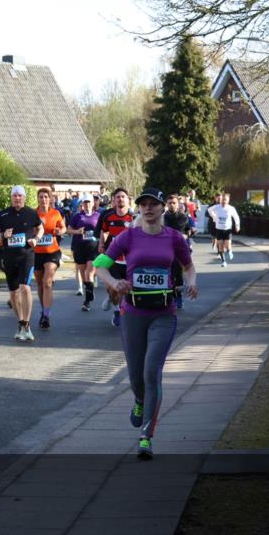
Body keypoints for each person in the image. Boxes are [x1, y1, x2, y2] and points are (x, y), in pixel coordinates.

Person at [94, 188, 198, 459]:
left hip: (164, 314)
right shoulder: (128, 236)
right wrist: (114, 282)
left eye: (154, 204)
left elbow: (188, 266)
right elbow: (100, 265)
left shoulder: (174, 238)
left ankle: (146, 435)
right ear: (138, 208)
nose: (148, 208)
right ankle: (139, 400)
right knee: (136, 377)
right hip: (133, 314)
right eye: (144, 204)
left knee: (152, 372)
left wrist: (192, 282)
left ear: (163, 208)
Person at [0, 185, 44, 341]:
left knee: (25, 287)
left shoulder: (31, 213)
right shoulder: (3, 214)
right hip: (9, 257)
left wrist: (36, 239)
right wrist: (3, 234)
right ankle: (20, 323)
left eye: (19, 195)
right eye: (14, 195)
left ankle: (27, 323)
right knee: (14, 292)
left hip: (26, 255)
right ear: (11, 197)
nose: (17, 198)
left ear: (24, 197)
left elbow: (40, 229)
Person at [95, 188, 134, 326]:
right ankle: (116, 308)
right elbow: (104, 231)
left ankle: (125, 310)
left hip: (130, 259)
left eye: (123, 196)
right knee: (114, 288)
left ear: (128, 199)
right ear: (113, 200)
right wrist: (101, 244)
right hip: (113, 258)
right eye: (117, 197)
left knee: (128, 288)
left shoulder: (134, 217)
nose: (120, 199)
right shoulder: (108, 216)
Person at [32, 188, 66, 330]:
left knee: (47, 282)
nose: (43, 199)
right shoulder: (33, 214)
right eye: (41, 197)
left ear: (50, 199)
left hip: (52, 251)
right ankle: (43, 310)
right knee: (40, 284)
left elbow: (64, 228)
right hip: (37, 253)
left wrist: (60, 231)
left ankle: (46, 315)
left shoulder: (56, 213)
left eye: (46, 197)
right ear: (38, 199)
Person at [68, 195, 100, 312]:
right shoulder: (77, 216)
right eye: (85, 202)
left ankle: (87, 300)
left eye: (89, 202)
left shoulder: (98, 216)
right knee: (83, 274)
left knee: (90, 272)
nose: (87, 204)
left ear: (93, 203)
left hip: (93, 248)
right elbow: (69, 229)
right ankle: (89, 291)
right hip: (79, 247)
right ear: (82, 204)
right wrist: (77, 231)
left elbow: (103, 230)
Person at [163, 197, 196, 309]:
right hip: (166, 249)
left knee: (178, 273)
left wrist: (186, 235)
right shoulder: (162, 218)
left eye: (174, 203)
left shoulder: (184, 217)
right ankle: (170, 296)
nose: (172, 204)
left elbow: (190, 230)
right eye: (170, 202)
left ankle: (179, 296)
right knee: (168, 274)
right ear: (166, 204)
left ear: (178, 204)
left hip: (180, 250)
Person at [207, 192, 240, 267]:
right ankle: (224, 261)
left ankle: (229, 251)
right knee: (221, 246)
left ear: (228, 200)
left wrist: (237, 226)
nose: (224, 201)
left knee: (227, 245)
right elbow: (209, 210)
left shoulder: (231, 208)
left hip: (227, 229)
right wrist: (214, 217)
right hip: (219, 229)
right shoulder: (217, 207)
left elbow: (236, 217)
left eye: (226, 200)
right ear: (221, 200)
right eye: (223, 200)